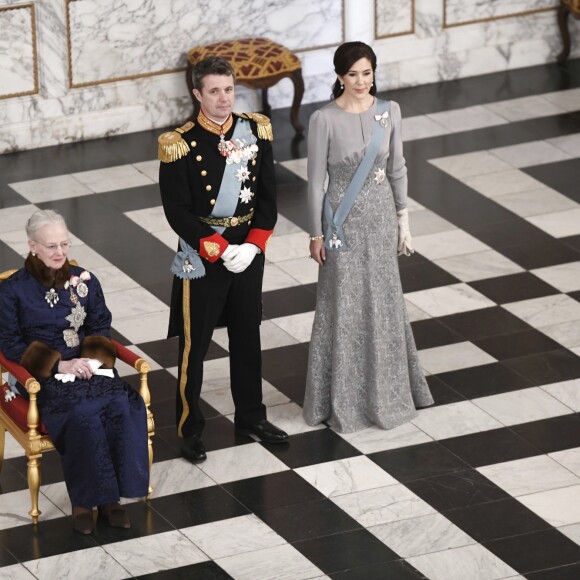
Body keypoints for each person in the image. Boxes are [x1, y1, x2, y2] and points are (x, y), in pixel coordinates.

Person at [158, 56, 288, 464]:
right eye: (214, 91)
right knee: (194, 347)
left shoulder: (256, 130)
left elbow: (268, 197)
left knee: (248, 336)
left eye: (229, 89)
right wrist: (219, 247)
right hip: (204, 255)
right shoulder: (179, 143)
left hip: (246, 251)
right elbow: (177, 211)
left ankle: (251, 417)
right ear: (197, 94)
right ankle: (189, 428)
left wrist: (253, 245)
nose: (223, 98)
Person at [303, 42, 434, 433]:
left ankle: (390, 393)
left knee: (383, 300)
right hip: (340, 223)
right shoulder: (322, 119)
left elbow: (398, 168)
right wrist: (315, 233)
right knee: (342, 302)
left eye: (367, 72)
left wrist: (403, 218)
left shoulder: (389, 112)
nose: (361, 81)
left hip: (379, 221)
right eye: (353, 74)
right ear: (340, 76)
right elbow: (313, 184)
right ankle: (340, 399)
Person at [0, 209, 149, 534]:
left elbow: (100, 325)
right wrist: (59, 365)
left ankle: (112, 501)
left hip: (89, 367)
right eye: (51, 246)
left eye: (64, 244)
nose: (60, 253)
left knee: (123, 403)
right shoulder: (12, 290)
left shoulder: (85, 280)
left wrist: (93, 362)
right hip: (43, 375)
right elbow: (10, 345)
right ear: (32, 246)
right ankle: (84, 502)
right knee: (83, 413)